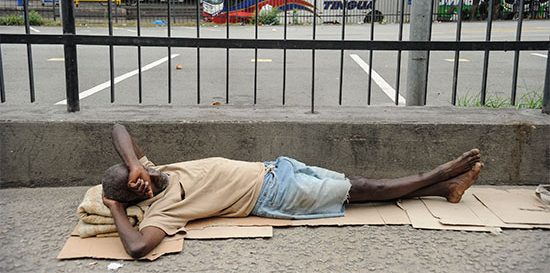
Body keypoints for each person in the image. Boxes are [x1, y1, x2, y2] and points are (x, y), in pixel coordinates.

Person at [102, 124, 483, 258]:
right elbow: (137, 248)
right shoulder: (162, 212)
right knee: (365, 189)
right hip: (275, 196)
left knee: (358, 185)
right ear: (142, 197)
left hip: (275, 168)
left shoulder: (157, 169)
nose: (148, 175)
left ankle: (445, 188)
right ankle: (440, 172)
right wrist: (116, 207)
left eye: (141, 170)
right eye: (141, 182)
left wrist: (136, 164)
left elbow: (118, 128)